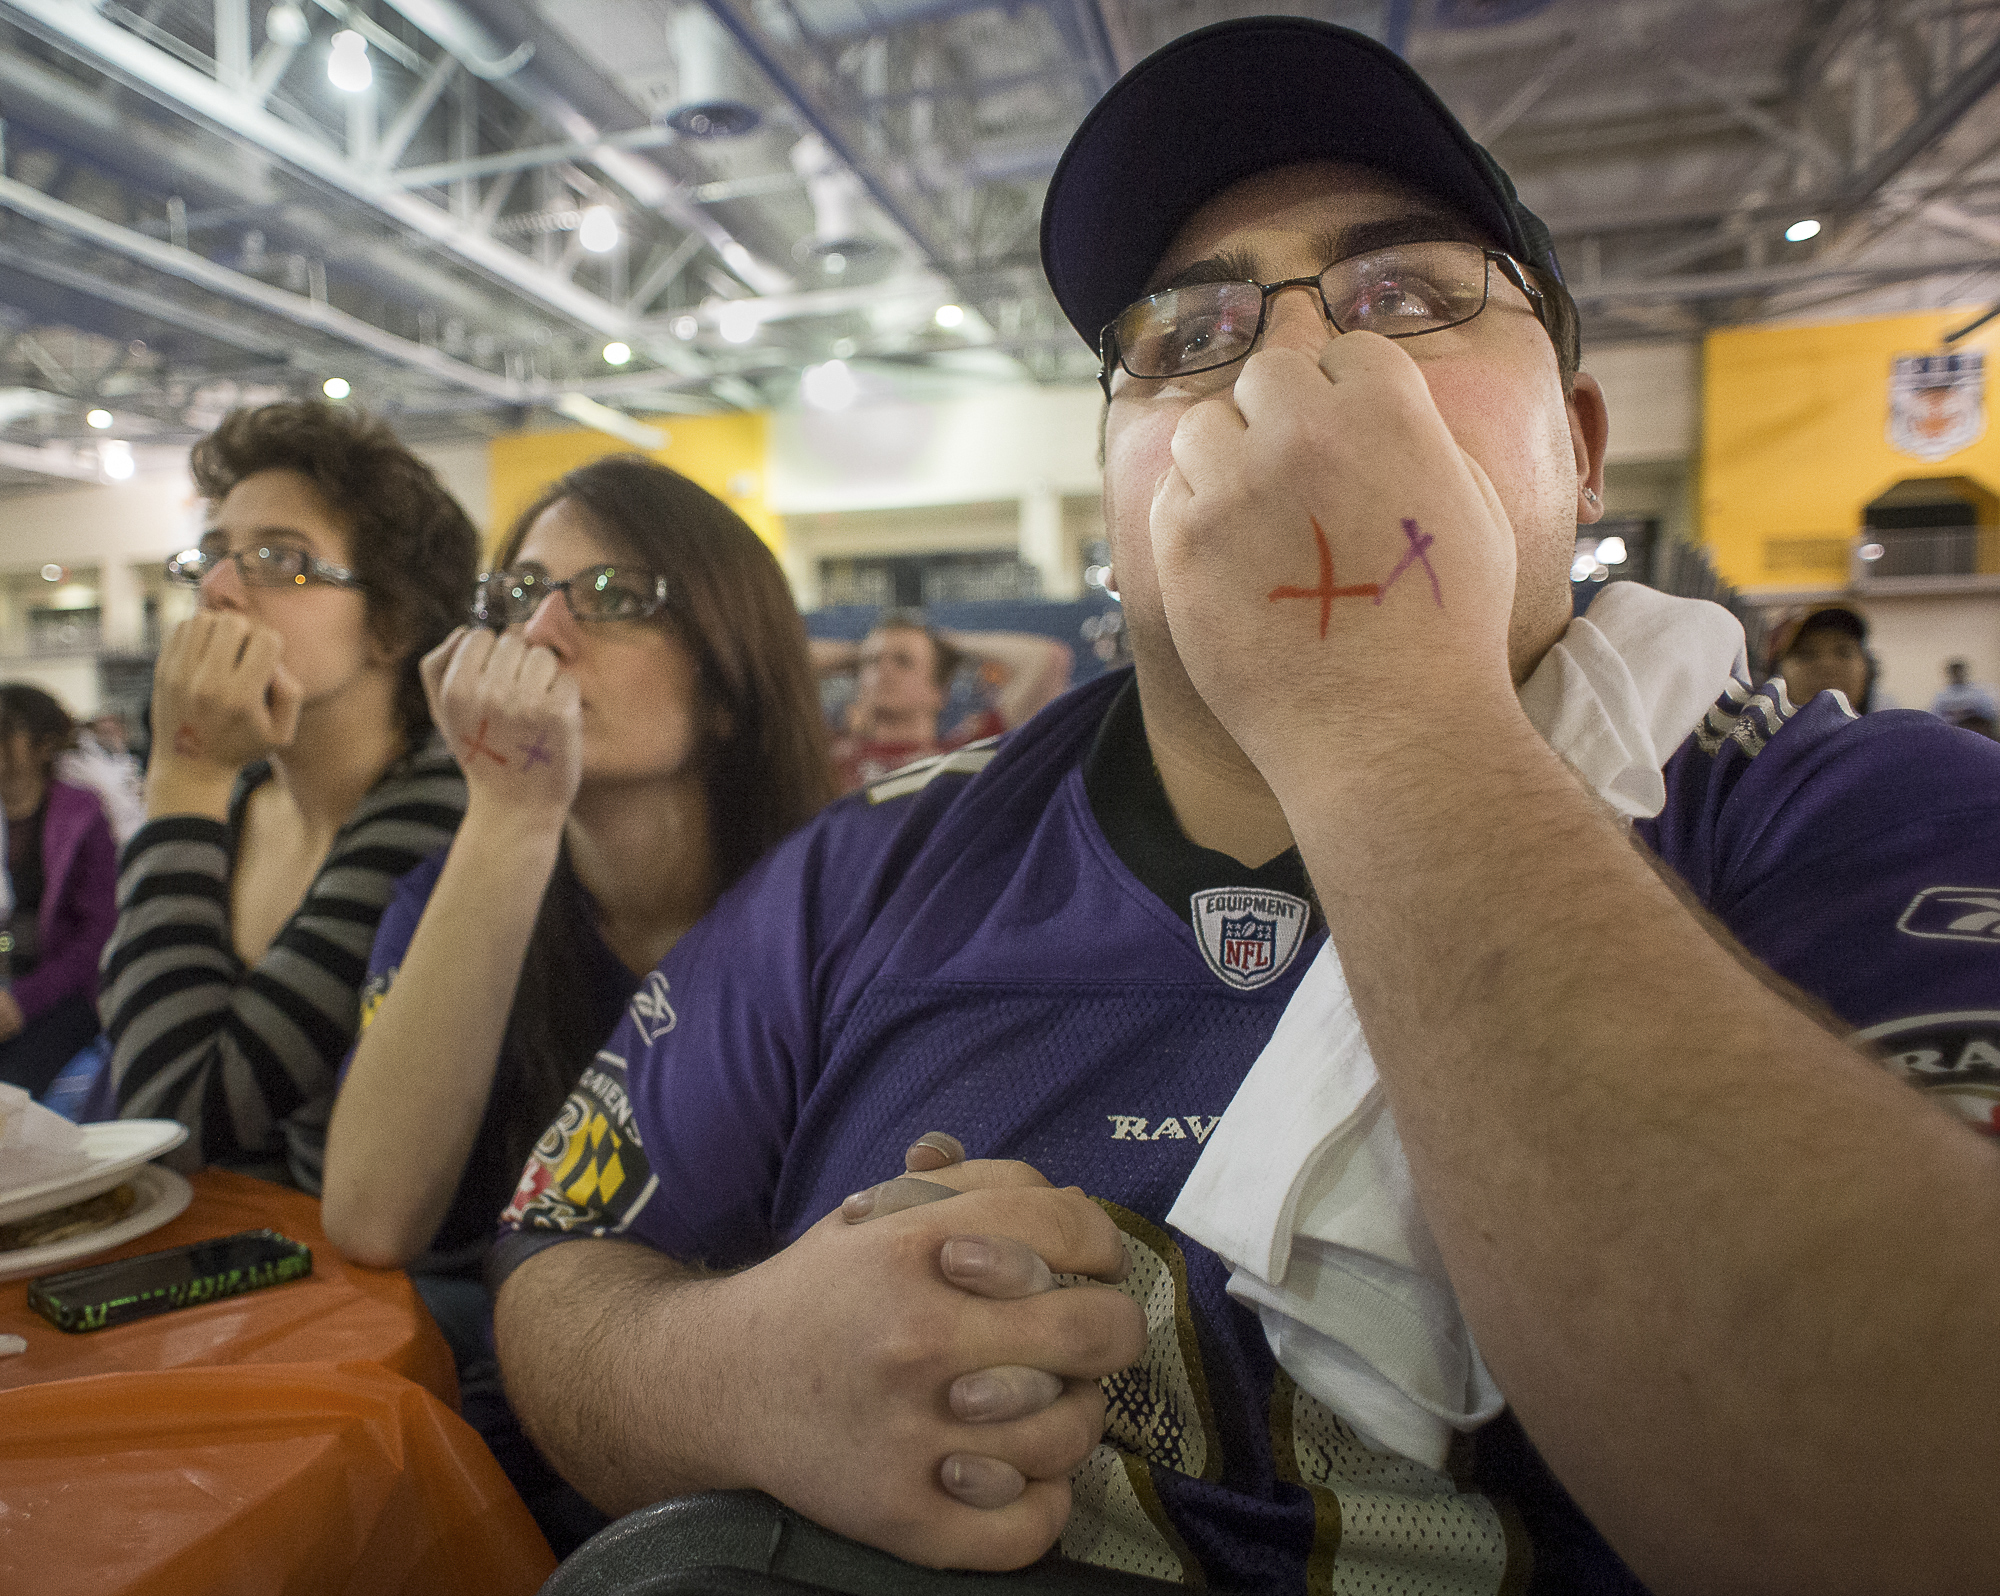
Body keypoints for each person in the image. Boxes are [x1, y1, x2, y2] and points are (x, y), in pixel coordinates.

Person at [489, 20, 2000, 1596]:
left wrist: (1388, 716)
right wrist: (732, 1370)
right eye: (1191, 338)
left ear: (1584, 446)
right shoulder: (876, 866)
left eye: (1405, 295)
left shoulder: (1859, 822)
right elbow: (550, 1271)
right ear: (1119, 508)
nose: (1289, 375)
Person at [319, 455, 835, 1548]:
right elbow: (372, 1214)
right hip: (547, 1437)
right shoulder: (457, 891)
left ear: (729, 679)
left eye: (610, 598)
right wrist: (508, 815)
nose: (541, 636)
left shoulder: (840, 899)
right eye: (515, 601)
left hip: (799, 1449)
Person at [103, 402, 479, 1190]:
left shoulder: (439, 811)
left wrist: (184, 780)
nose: (219, 590)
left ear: (394, 621)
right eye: (214, 555)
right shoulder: (243, 800)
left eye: (279, 558)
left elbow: (177, 1119)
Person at [0, 685, 117, 1096]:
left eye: (6, 731)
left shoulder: (83, 815)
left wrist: (22, 1001)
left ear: (44, 746)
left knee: (12, 1090)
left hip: (63, 995)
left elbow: (99, 933)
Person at [815, 612, 1072, 788]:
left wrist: (950, 644)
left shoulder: (965, 753)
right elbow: (780, 669)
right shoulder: (826, 751)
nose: (882, 670)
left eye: (902, 661)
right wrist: (853, 653)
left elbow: (1049, 658)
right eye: (870, 661)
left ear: (938, 691)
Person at [1765, 603, 1891, 712]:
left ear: (1869, 669)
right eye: (1806, 654)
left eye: (1844, 652)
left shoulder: (1899, 735)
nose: (1827, 665)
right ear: (1775, 672)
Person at [56, 708, 147, 847]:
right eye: (105, 723)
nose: (111, 728)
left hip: (133, 834)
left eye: (115, 724)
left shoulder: (123, 757)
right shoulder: (75, 761)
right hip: (113, 837)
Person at [1931, 656, 1999, 728]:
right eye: (1954, 673)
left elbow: (1989, 715)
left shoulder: (1977, 694)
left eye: (1959, 672)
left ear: (1964, 673)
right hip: (1950, 730)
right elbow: (1934, 717)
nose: (1957, 675)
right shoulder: (1941, 696)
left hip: (1972, 730)